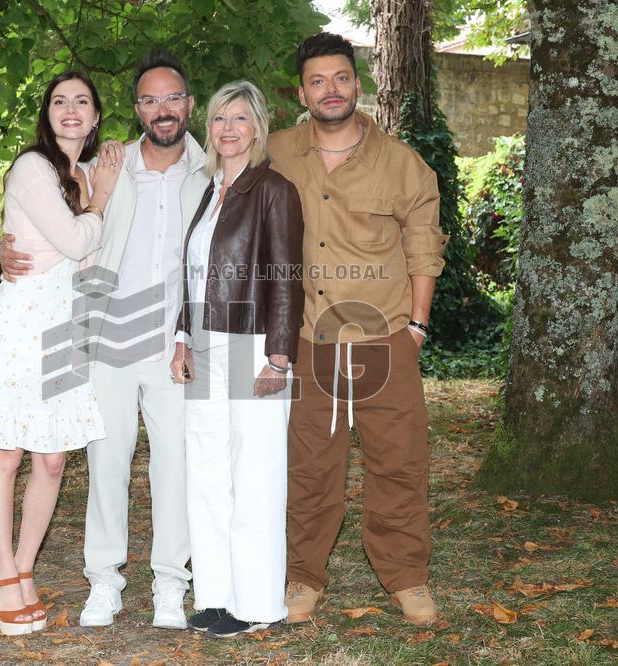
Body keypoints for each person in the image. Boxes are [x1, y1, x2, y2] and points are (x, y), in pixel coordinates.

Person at [0, 51, 210, 630]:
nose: (162, 109)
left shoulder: (213, 172)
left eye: (172, 98)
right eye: (149, 99)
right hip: (105, 340)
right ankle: (105, 583)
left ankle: (171, 584)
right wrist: (3, 245)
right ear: (135, 109)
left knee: (175, 465)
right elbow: (50, 219)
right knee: (106, 464)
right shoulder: (106, 169)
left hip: (174, 345)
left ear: (189, 104)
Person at [267, 33, 449, 626]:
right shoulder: (276, 153)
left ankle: (406, 578)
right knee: (310, 466)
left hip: (384, 338)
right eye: (317, 81)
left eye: (341, 78)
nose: (331, 90)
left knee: (398, 462)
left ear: (357, 83)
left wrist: (416, 328)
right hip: (308, 340)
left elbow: (425, 250)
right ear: (302, 92)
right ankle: (303, 577)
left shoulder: (403, 165)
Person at [0, 71, 122, 636]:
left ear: (96, 117)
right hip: (21, 324)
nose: (70, 110)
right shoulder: (33, 168)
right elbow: (74, 242)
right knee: (8, 452)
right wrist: (97, 205)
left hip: (65, 325)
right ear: (47, 115)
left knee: (52, 459)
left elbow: (84, 261)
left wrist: (75, 228)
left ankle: (25, 570)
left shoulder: (90, 173)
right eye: (58, 101)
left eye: (82, 102)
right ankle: (3, 575)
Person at [170, 81, 304, 638]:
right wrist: (181, 335)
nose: (228, 128)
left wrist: (279, 356)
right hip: (204, 344)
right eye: (220, 118)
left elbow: (286, 277)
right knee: (206, 472)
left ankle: (256, 603)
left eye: (240, 118)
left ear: (258, 129)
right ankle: (218, 598)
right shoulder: (208, 191)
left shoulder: (274, 189)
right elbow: (193, 271)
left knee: (255, 474)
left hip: (254, 346)